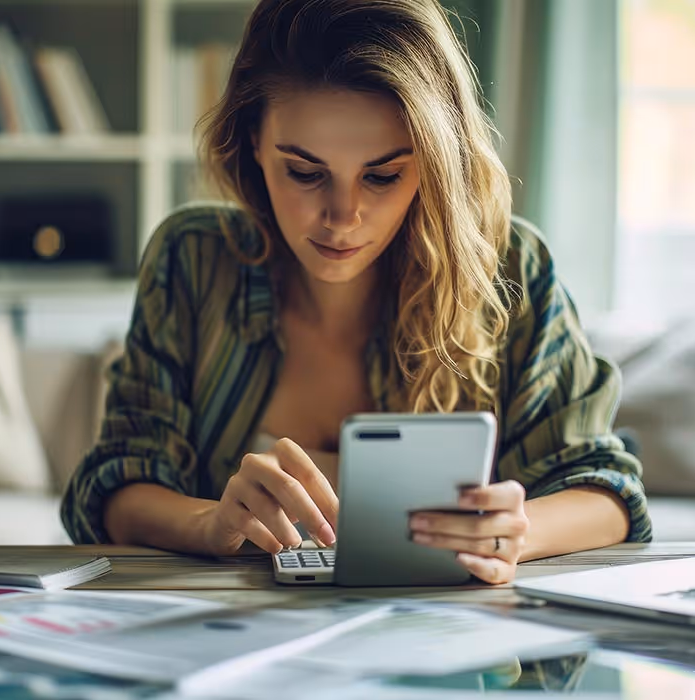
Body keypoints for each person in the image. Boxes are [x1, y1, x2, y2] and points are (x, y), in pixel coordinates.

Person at [61, 0, 652, 585]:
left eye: (383, 174)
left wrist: (516, 531)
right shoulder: (192, 259)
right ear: (252, 145)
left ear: (436, 166)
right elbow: (112, 485)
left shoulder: (510, 268)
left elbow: (610, 492)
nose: (342, 217)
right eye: (305, 171)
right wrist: (209, 522)